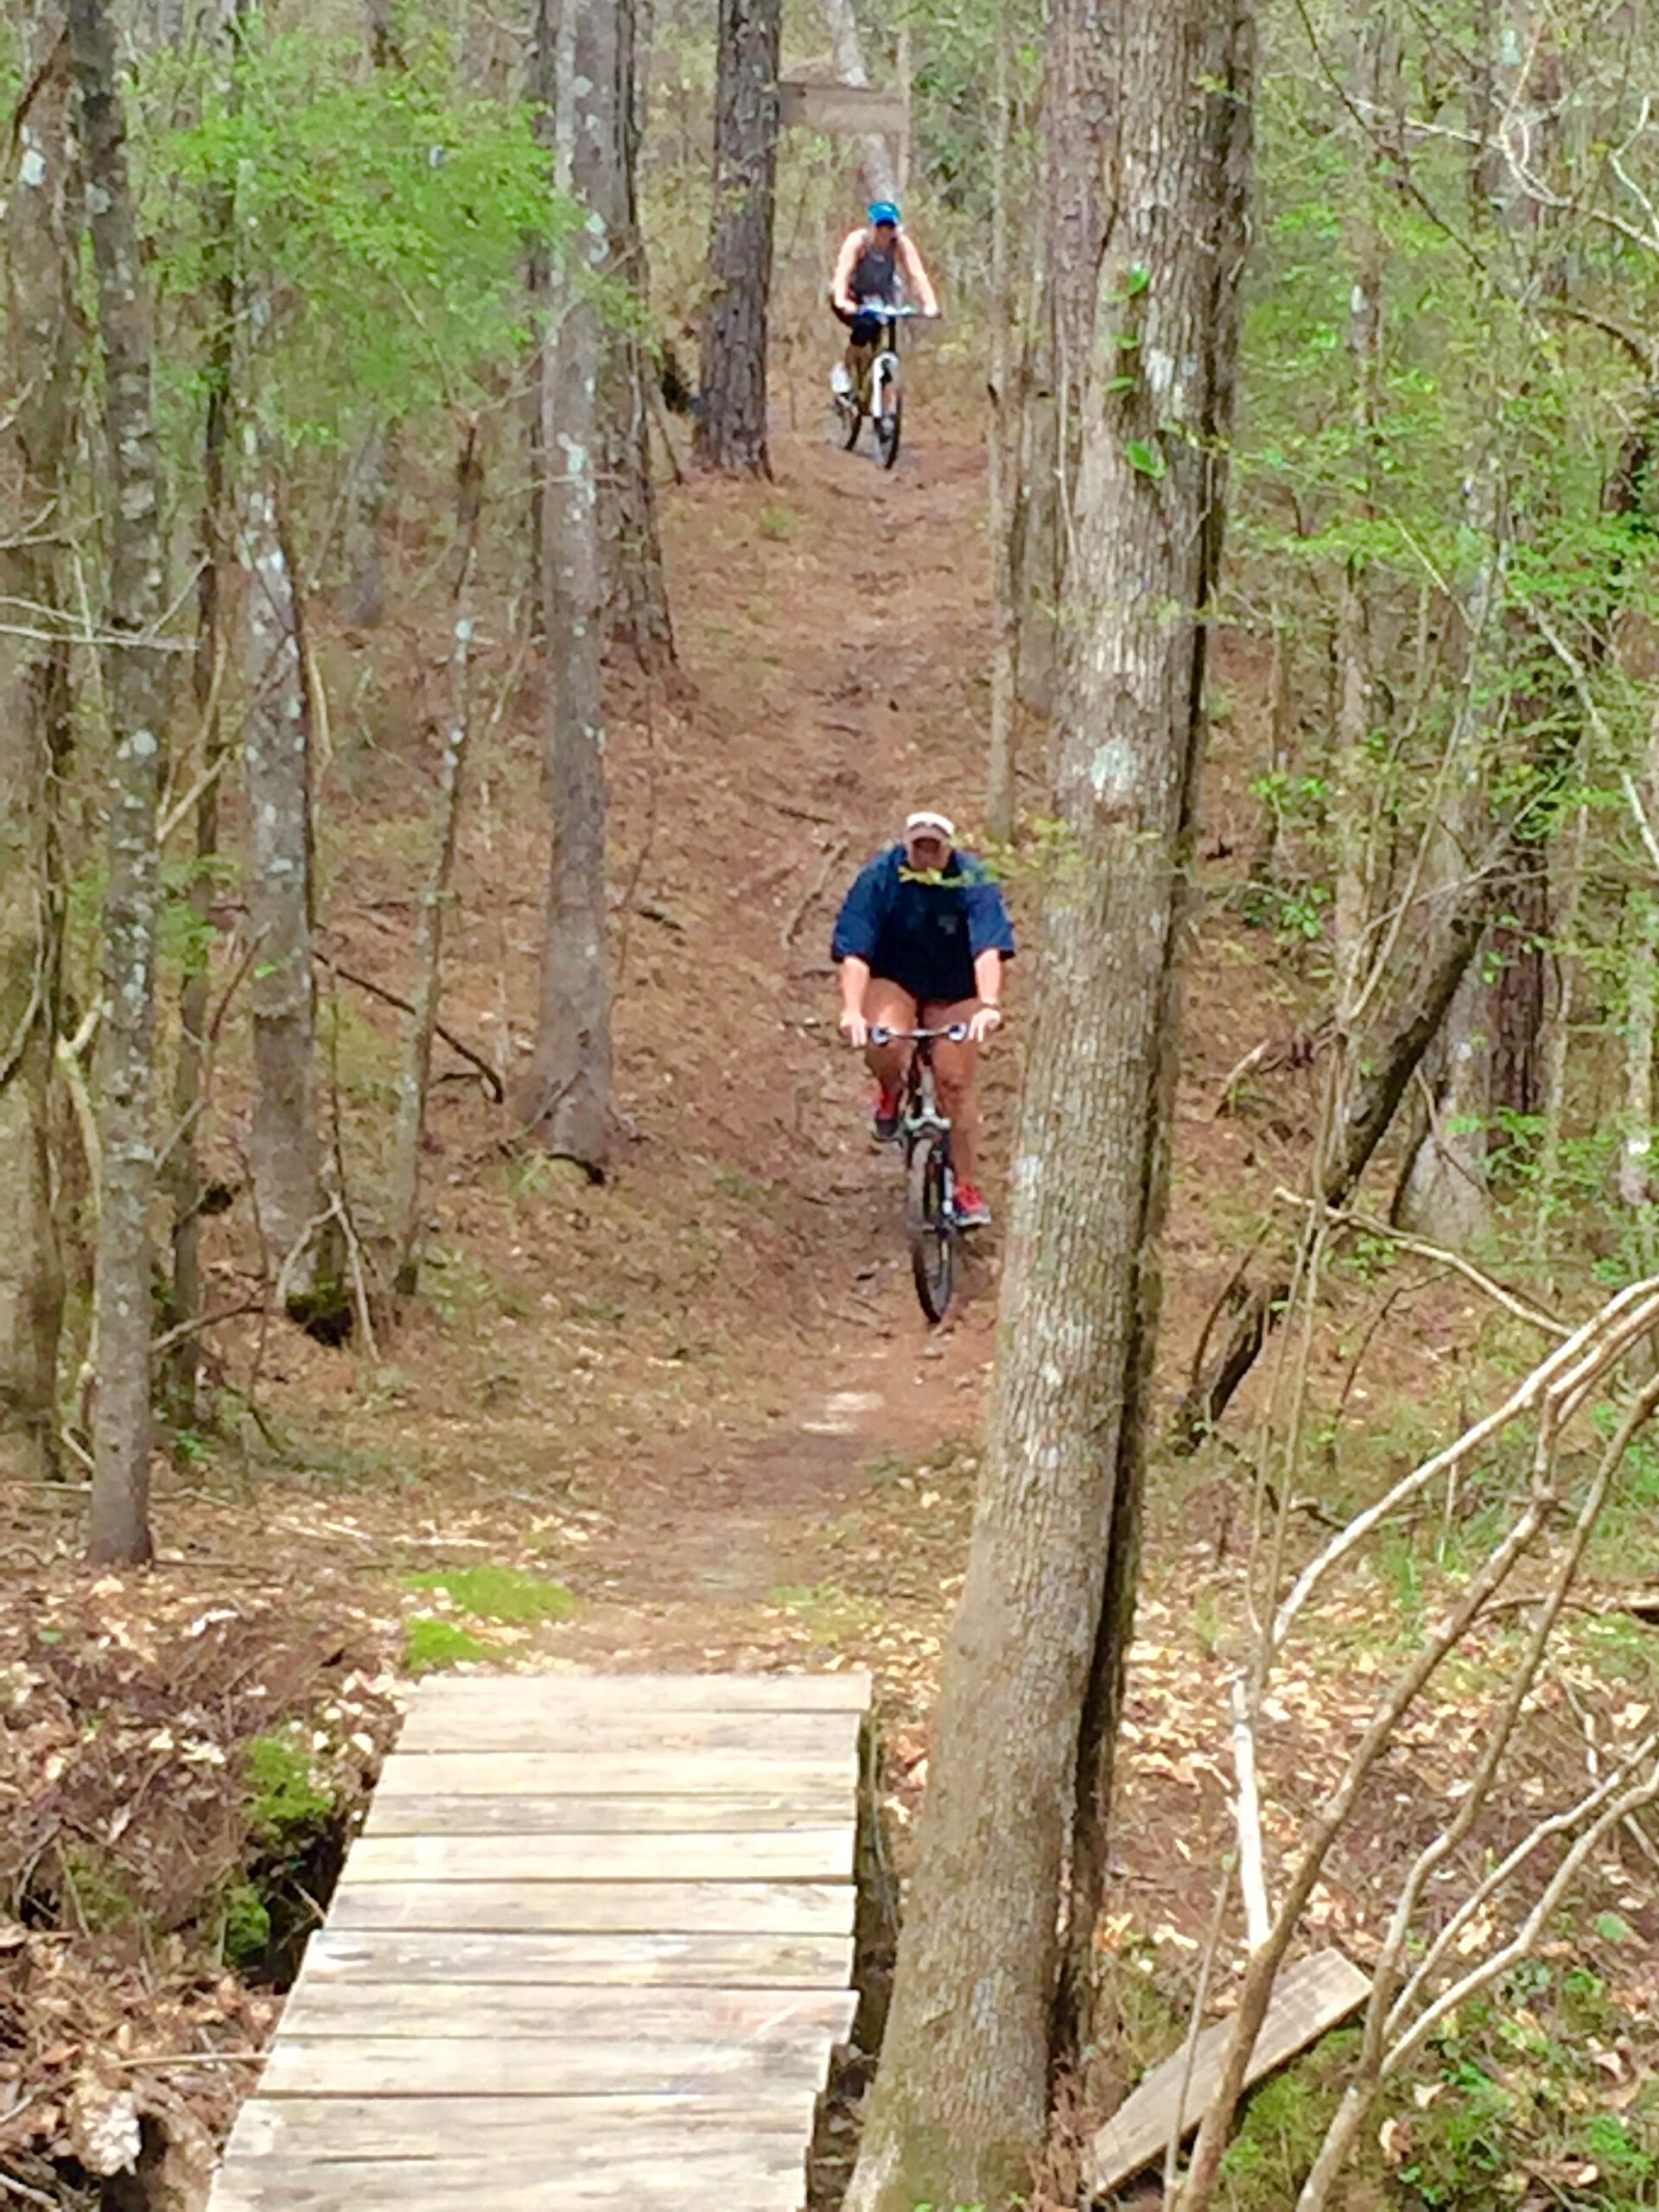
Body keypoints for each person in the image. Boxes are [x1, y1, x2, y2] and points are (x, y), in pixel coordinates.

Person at [831, 810, 1013, 1230]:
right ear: (907, 845)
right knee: (886, 1040)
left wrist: (988, 1003)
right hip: (897, 979)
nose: (927, 855)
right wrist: (852, 1010)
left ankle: (966, 1187)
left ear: (949, 847)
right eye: (920, 846)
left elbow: (989, 947)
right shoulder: (879, 878)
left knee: (954, 1080)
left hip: (956, 989)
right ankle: (891, 1090)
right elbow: (855, 950)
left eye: (935, 847)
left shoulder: (972, 880)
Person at [830, 201, 939, 406]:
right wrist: (842, 300)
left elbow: (917, 275)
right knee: (864, 328)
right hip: (852, 295)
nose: (885, 233)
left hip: (879, 299)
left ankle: (881, 396)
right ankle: (843, 370)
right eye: (881, 227)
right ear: (872, 226)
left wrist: (929, 304)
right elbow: (842, 274)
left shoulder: (901, 244)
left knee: (885, 330)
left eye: (890, 228)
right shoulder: (857, 242)